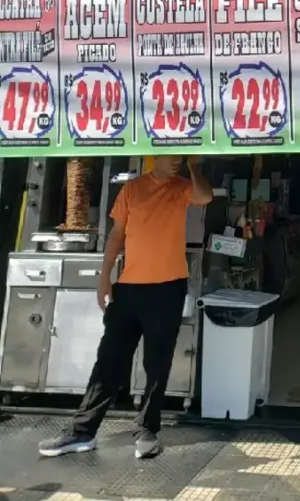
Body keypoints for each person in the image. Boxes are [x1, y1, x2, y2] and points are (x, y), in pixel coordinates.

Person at [39, 155, 213, 461]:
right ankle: (82, 432)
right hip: (129, 287)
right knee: (109, 360)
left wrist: (193, 165)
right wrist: (104, 277)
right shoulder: (133, 189)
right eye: (171, 154)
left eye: (181, 154)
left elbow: (205, 196)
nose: (176, 159)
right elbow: (117, 234)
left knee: (156, 363)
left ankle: (147, 431)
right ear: (154, 155)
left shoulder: (182, 187)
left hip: (168, 288)